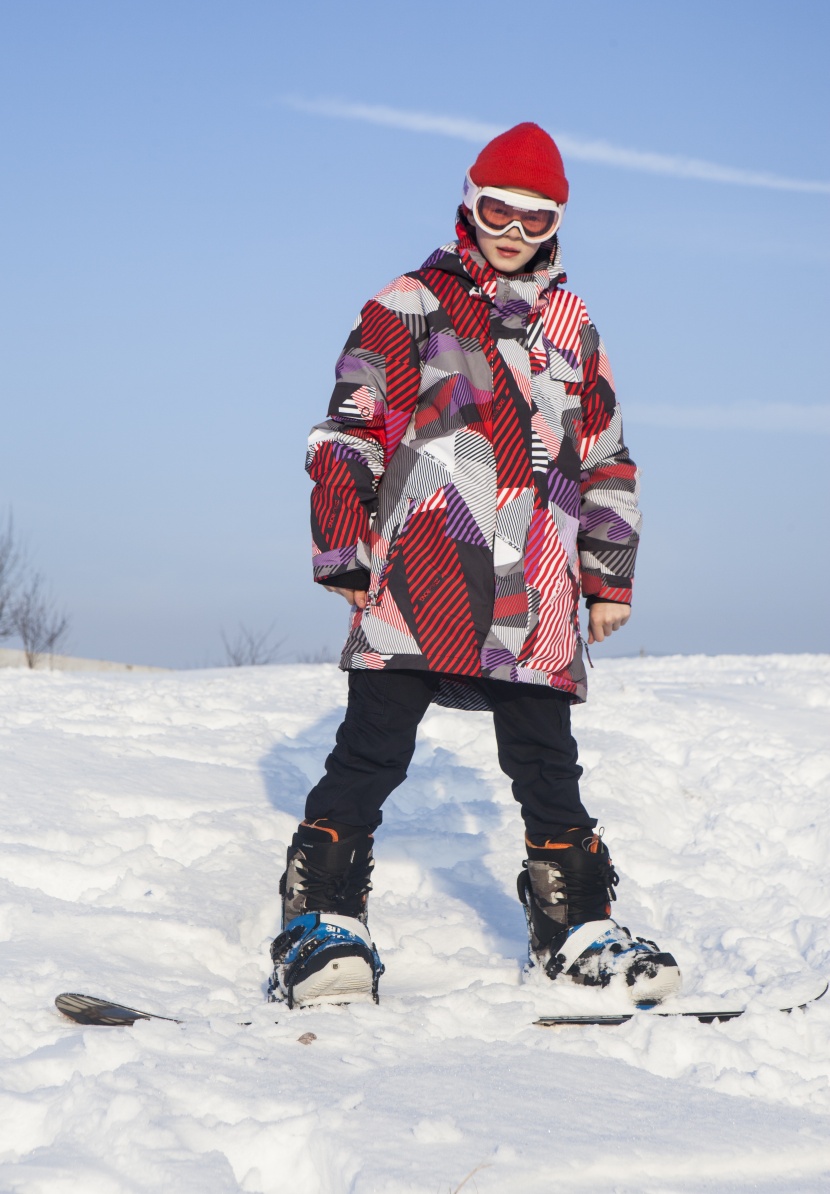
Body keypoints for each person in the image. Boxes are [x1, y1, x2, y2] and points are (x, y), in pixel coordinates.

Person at [269, 122, 680, 1009]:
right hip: (421, 574)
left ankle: (576, 929)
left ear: (557, 224)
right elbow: (350, 429)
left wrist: (606, 572)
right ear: (469, 199)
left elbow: (606, 455)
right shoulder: (409, 303)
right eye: (499, 209)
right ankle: (322, 920)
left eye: (536, 219)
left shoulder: (575, 328)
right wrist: (344, 547)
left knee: (546, 760)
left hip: (533, 588)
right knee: (374, 747)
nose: (513, 231)